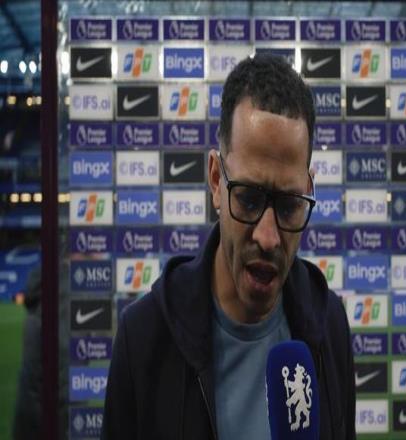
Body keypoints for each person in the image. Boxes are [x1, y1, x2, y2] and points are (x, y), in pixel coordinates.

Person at [102, 53, 355, 439]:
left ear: (308, 190)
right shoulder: (143, 338)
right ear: (216, 181)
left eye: (289, 205)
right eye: (249, 199)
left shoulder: (329, 321)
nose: (268, 237)